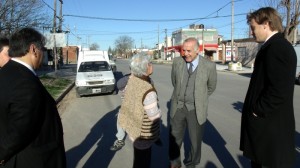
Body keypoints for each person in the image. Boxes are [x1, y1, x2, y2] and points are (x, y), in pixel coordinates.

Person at [0, 28, 66, 168]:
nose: (43, 54)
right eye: (43, 49)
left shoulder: (6, 73)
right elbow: (19, 130)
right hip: (34, 159)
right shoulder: (24, 81)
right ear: (33, 49)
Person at [240, 7, 297, 168]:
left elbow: (279, 91)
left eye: (253, 27)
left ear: (266, 24)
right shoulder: (271, 46)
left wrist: (257, 110)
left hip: (269, 132)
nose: (251, 32)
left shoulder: (278, 48)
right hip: (266, 130)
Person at [169, 37, 217, 168]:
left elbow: (211, 87)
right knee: (174, 139)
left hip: (195, 109)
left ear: (197, 50)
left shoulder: (209, 66)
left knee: (195, 142)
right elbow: (175, 82)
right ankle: (174, 163)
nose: (185, 53)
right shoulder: (177, 62)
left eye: (189, 51)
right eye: (183, 50)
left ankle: (191, 164)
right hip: (178, 107)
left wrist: (199, 98)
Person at [118, 53, 161, 168]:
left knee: (138, 159)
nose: (152, 65)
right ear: (146, 67)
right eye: (150, 63)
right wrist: (158, 111)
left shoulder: (131, 80)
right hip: (143, 134)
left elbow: (126, 100)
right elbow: (154, 117)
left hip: (133, 129)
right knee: (143, 162)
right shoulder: (147, 90)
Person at [110, 73, 131, 151]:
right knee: (121, 120)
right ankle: (120, 140)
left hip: (141, 106)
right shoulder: (127, 78)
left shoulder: (145, 78)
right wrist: (129, 77)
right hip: (126, 106)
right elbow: (119, 85)